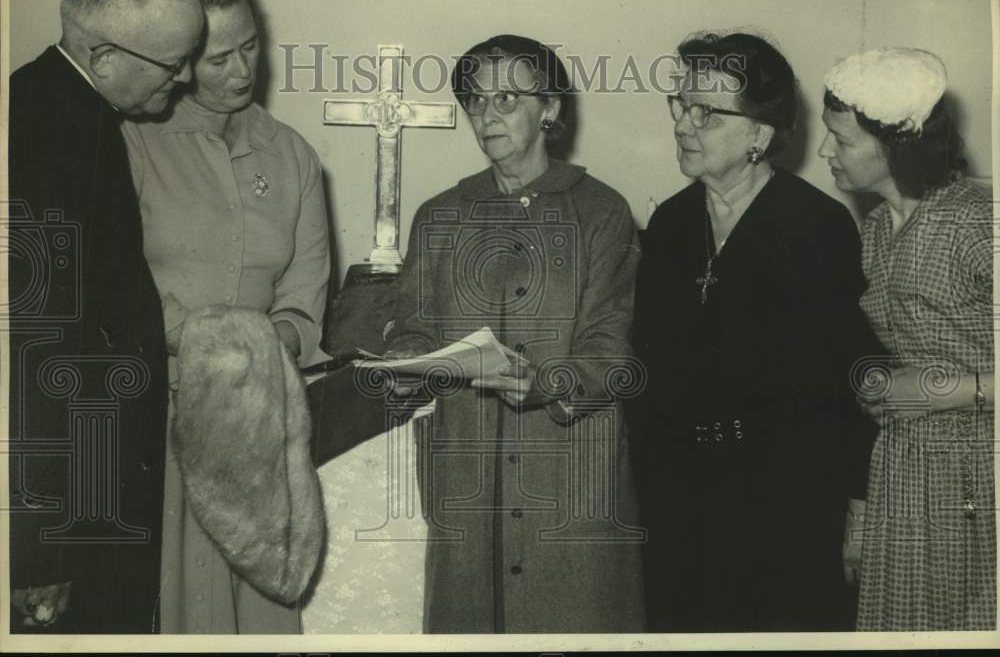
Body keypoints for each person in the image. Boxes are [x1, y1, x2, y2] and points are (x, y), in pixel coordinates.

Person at [384, 34, 645, 633]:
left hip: (570, 478)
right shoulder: (440, 215)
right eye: (476, 100)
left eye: (507, 98)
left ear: (550, 109)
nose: (486, 114)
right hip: (469, 485)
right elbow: (416, 327)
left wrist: (551, 381)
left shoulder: (603, 212)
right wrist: (405, 363)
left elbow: (612, 352)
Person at [629, 31, 876, 631]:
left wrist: (856, 509)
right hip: (677, 496)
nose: (685, 124)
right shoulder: (669, 223)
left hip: (783, 502)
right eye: (680, 105)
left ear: (759, 137)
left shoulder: (817, 227)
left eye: (706, 113)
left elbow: (843, 387)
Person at [121, 0, 330, 634]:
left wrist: (268, 348)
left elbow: (304, 298)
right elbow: (119, 289)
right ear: (179, 60)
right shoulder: (132, 141)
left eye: (250, 48)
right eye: (217, 59)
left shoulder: (293, 156)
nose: (241, 71)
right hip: (164, 419)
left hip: (260, 424)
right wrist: (212, 343)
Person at [8, 0, 203, 633]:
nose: (183, 80)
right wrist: (39, 547)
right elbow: (36, 349)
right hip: (72, 521)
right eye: (171, 63)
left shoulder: (72, 113)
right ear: (103, 58)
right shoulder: (44, 129)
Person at [819, 47, 995, 631]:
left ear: (896, 146)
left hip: (983, 473)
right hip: (905, 472)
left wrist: (952, 390)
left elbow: (936, 382)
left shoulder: (977, 217)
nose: (825, 153)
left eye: (841, 141)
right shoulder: (872, 229)